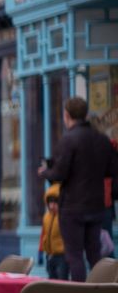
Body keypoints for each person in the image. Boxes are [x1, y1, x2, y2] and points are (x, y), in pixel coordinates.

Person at [40, 97, 118, 281]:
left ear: (67, 115)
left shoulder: (68, 140)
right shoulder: (102, 140)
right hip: (97, 205)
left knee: (74, 256)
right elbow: (111, 170)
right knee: (94, 255)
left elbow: (60, 173)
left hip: (73, 207)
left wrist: (46, 172)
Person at [41, 183, 68, 280]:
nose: (52, 206)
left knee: (62, 280)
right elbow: (44, 234)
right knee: (51, 279)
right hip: (49, 254)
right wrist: (41, 251)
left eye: (55, 203)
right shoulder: (46, 217)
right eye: (50, 202)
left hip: (62, 255)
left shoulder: (64, 216)